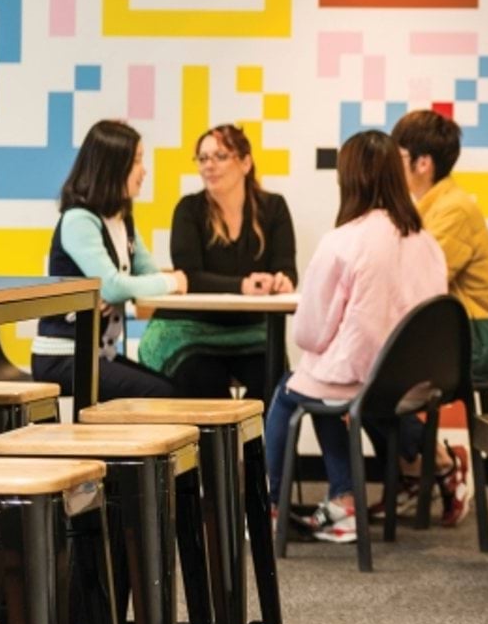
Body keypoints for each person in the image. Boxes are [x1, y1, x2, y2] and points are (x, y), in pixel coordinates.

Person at [262, 130, 448, 543]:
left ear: (349, 179)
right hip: (414, 386)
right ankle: (342, 501)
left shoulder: (343, 240)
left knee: (290, 389)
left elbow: (309, 331)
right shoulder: (427, 241)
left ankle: (271, 507)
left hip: (361, 378)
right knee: (315, 383)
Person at [138, 124, 298, 399]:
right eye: (202, 158)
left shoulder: (274, 208)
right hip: (191, 331)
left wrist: (283, 280)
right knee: (204, 381)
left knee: (274, 379)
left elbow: (286, 267)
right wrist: (244, 286)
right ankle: (218, 443)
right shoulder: (188, 209)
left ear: (245, 163)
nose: (209, 165)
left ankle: (253, 444)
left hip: (252, 332)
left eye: (220, 156)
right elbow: (189, 277)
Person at [37, 120, 184, 399]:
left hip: (100, 354)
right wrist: (171, 280)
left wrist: (122, 287)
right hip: (63, 357)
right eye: (137, 161)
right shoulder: (79, 220)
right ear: (113, 166)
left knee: (177, 390)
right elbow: (115, 287)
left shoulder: (121, 219)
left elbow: (142, 275)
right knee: (160, 394)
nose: (144, 171)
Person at [390, 110, 488, 383]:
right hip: (469, 333)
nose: (391, 166)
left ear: (423, 163)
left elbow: (422, 282)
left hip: (482, 340)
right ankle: (409, 428)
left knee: (379, 368)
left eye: (397, 158)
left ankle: (410, 429)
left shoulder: (453, 210)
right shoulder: (434, 206)